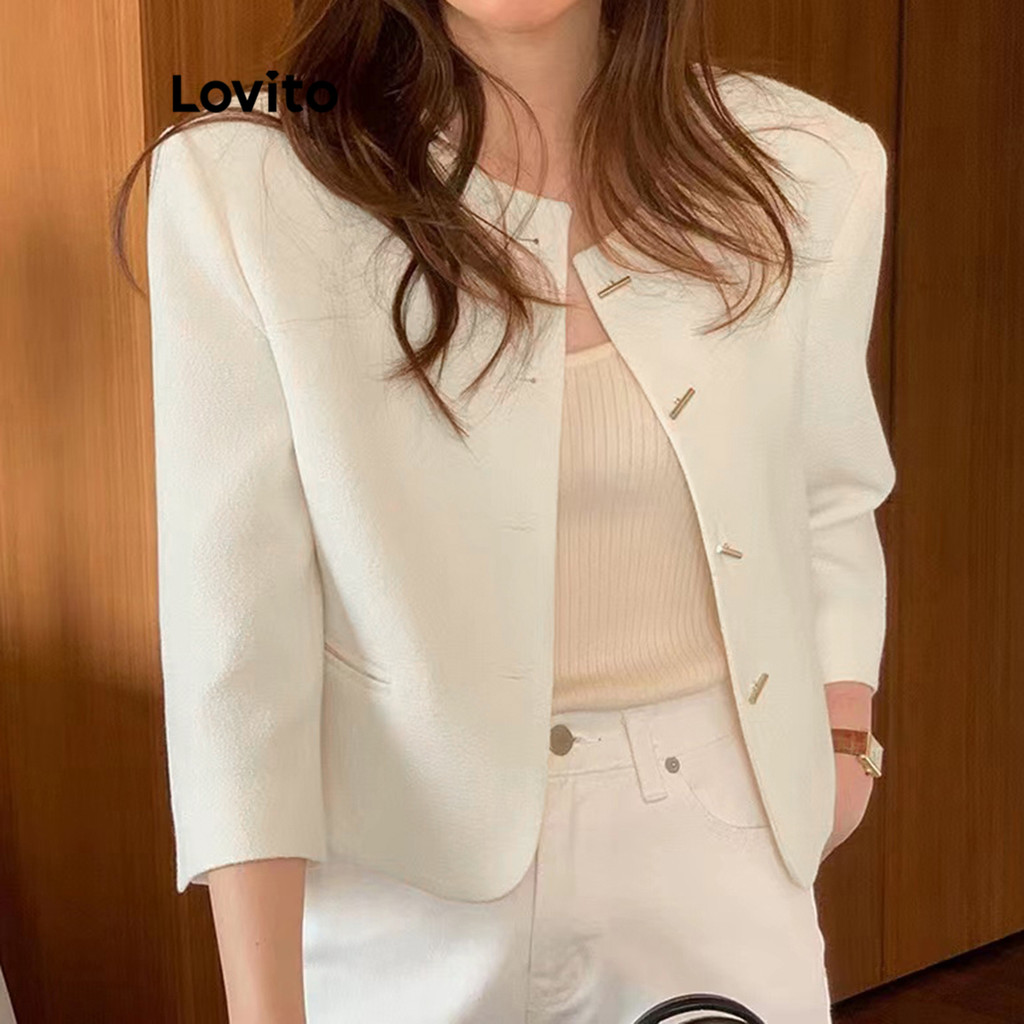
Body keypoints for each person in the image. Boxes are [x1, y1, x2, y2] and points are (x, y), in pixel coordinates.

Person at [113, 1, 896, 1021]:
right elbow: (238, 654)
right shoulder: (244, 178)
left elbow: (828, 487)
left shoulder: (807, 164)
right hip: (400, 874)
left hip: (717, 836)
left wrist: (842, 739)